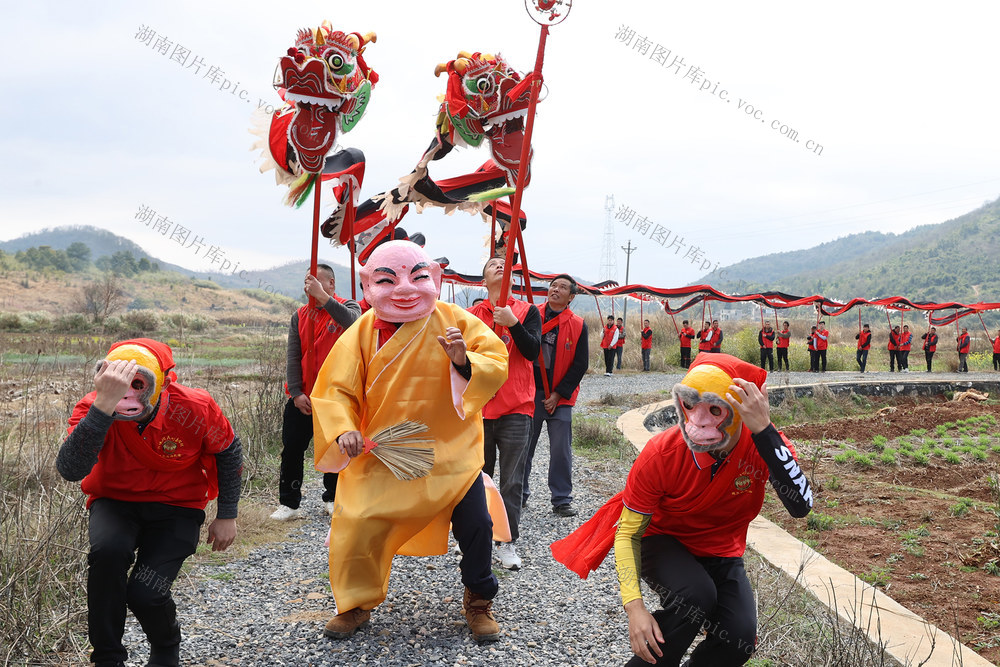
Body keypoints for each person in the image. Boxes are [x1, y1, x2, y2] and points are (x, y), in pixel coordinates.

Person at [551, 353, 812, 667]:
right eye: (690, 406)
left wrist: (764, 430)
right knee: (694, 597)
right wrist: (635, 609)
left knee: (739, 640)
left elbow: (801, 504)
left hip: (720, 548)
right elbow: (628, 534)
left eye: (715, 410)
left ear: (741, 412)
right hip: (661, 538)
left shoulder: (763, 445)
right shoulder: (661, 453)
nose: (698, 422)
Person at [310, 241, 509, 642]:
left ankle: (479, 600)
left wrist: (462, 361)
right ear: (368, 284)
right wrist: (343, 428)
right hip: (382, 453)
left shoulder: (455, 320)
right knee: (357, 522)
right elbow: (334, 390)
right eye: (387, 279)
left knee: (477, 523)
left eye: (417, 277)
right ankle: (354, 602)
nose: (404, 288)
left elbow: (496, 361)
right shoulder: (361, 331)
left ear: (434, 278)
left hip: (451, 453)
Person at [56, 338, 242, 667]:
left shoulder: (194, 408)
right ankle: (107, 658)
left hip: (178, 507)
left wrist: (227, 514)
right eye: (119, 381)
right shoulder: (93, 407)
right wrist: (103, 409)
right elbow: (70, 469)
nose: (129, 393)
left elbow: (227, 451)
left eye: (138, 384)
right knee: (106, 558)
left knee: (146, 591)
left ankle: (166, 645)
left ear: (164, 382)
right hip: (115, 501)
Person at [469, 256, 542, 571]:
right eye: (491, 265)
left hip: (516, 408)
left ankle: (507, 542)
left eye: (504, 263)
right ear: (483, 280)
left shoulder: (528, 312)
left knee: (512, 481)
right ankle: (476, 537)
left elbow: (533, 351)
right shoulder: (472, 315)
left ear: (512, 276)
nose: (499, 266)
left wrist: (513, 322)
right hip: (480, 409)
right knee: (477, 479)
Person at [271, 265, 361, 521]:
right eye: (308, 284)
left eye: (317, 284)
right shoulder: (300, 315)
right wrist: (296, 392)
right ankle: (289, 503)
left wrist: (323, 298)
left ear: (331, 283)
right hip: (304, 398)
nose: (310, 289)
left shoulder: (350, 306)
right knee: (292, 449)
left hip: (336, 398)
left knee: (337, 449)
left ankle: (333, 498)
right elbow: (293, 356)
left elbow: (355, 324)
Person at [522, 273, 589, 518]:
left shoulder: (578, 324)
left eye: (562, 287)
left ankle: (561, 499)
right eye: (553, 285)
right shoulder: (530, 314)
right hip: (529, 393)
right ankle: (519, 494)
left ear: (571, 297)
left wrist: (559, 395)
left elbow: (581, 364)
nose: (556, 290)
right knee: (524, 447)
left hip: (560, 398)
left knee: (561, 450)